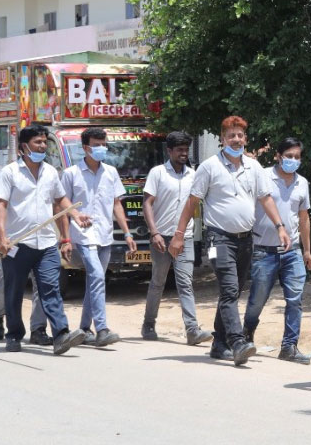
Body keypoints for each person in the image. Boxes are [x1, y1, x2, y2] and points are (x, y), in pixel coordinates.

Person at [167, 116, 290, 366]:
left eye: (240, 135)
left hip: (246, 241)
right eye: (231, 135)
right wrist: (179, 235)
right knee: (230, 289)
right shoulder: (210, 167)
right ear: (222, 139)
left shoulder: (253, 167)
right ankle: (237, 341)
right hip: (217, 240)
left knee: (231, 291)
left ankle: (218, 343)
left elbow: (265, 198)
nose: (236, 140)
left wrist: (280, 227)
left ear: (245, 139)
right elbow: (193, 201)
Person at [0, 125, 90, 355]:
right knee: (14, 291)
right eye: (38, 142)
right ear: (23, 147)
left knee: (51, 289)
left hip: (45, 243)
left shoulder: (50, 172)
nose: (43, 146)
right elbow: (1, 206)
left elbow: (60, 199)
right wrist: (3, 237)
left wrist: (74, 215)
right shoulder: (10, 173)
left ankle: (61, 335)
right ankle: (14, 334)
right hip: (17, 244)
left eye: (45, 142)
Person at [61, 127, 135, 347]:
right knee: (96, 277)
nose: (101, 148)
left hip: (105, 235)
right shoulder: (71, 174)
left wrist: (128, 233)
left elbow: (116, 204)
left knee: (95, 281)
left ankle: (84, 328)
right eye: (96, 144)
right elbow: (62, 205)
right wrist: (65, 238)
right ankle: (102, 328)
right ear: (85, 147)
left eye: (104, 144)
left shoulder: (111, 172)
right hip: (82, 236)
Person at [243, 136, 311, 364]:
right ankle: (246, 335)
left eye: (297, 157)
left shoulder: (302, 183)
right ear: (278, 156)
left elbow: (304, 218)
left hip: (292, 250)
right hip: (263, 250)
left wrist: (307, 250)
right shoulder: (262, 176)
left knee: (295, 299)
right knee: (257, 299)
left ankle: (289, 346)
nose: (293, 160)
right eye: (289, 156)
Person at [142, 131, 210, 345]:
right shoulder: (158, 173)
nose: (183, 153)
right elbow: (147, 203)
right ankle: (149, 323)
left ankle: (192, 329)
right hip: (162, 237)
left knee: (185, 282)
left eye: (185, 149)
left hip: (185, 237)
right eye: (179, 150)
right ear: (169, 151)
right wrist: (154, 233)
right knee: (158, 282)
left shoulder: (193, 174)